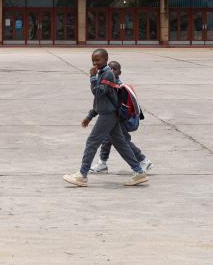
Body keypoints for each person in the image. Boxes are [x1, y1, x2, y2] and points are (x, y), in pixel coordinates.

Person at [62, 49, 149, 187]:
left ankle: (82, 175)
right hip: (109, 113)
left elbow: (98, 93)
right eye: (93, 60)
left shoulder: (107, 74)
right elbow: (101, 100)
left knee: (92, 142)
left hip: (108, 115)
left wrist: (92, 77)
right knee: (120, 143)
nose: (95, 63)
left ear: (106, 59)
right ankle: (139, 172)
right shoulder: (102, 73)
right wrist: (90, 116)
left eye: (98, 60)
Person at [90, 61, 152, 175]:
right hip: (111, 119)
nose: (112, 71)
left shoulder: (119, 87)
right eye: (110, 69)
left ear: (120, 72)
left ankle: (143, 160)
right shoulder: (108, 83)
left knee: (124, 142)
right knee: (107, 140)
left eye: (115, 69)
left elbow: (123, 107)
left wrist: (117, 119)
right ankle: (102, 163)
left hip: (119, 119)